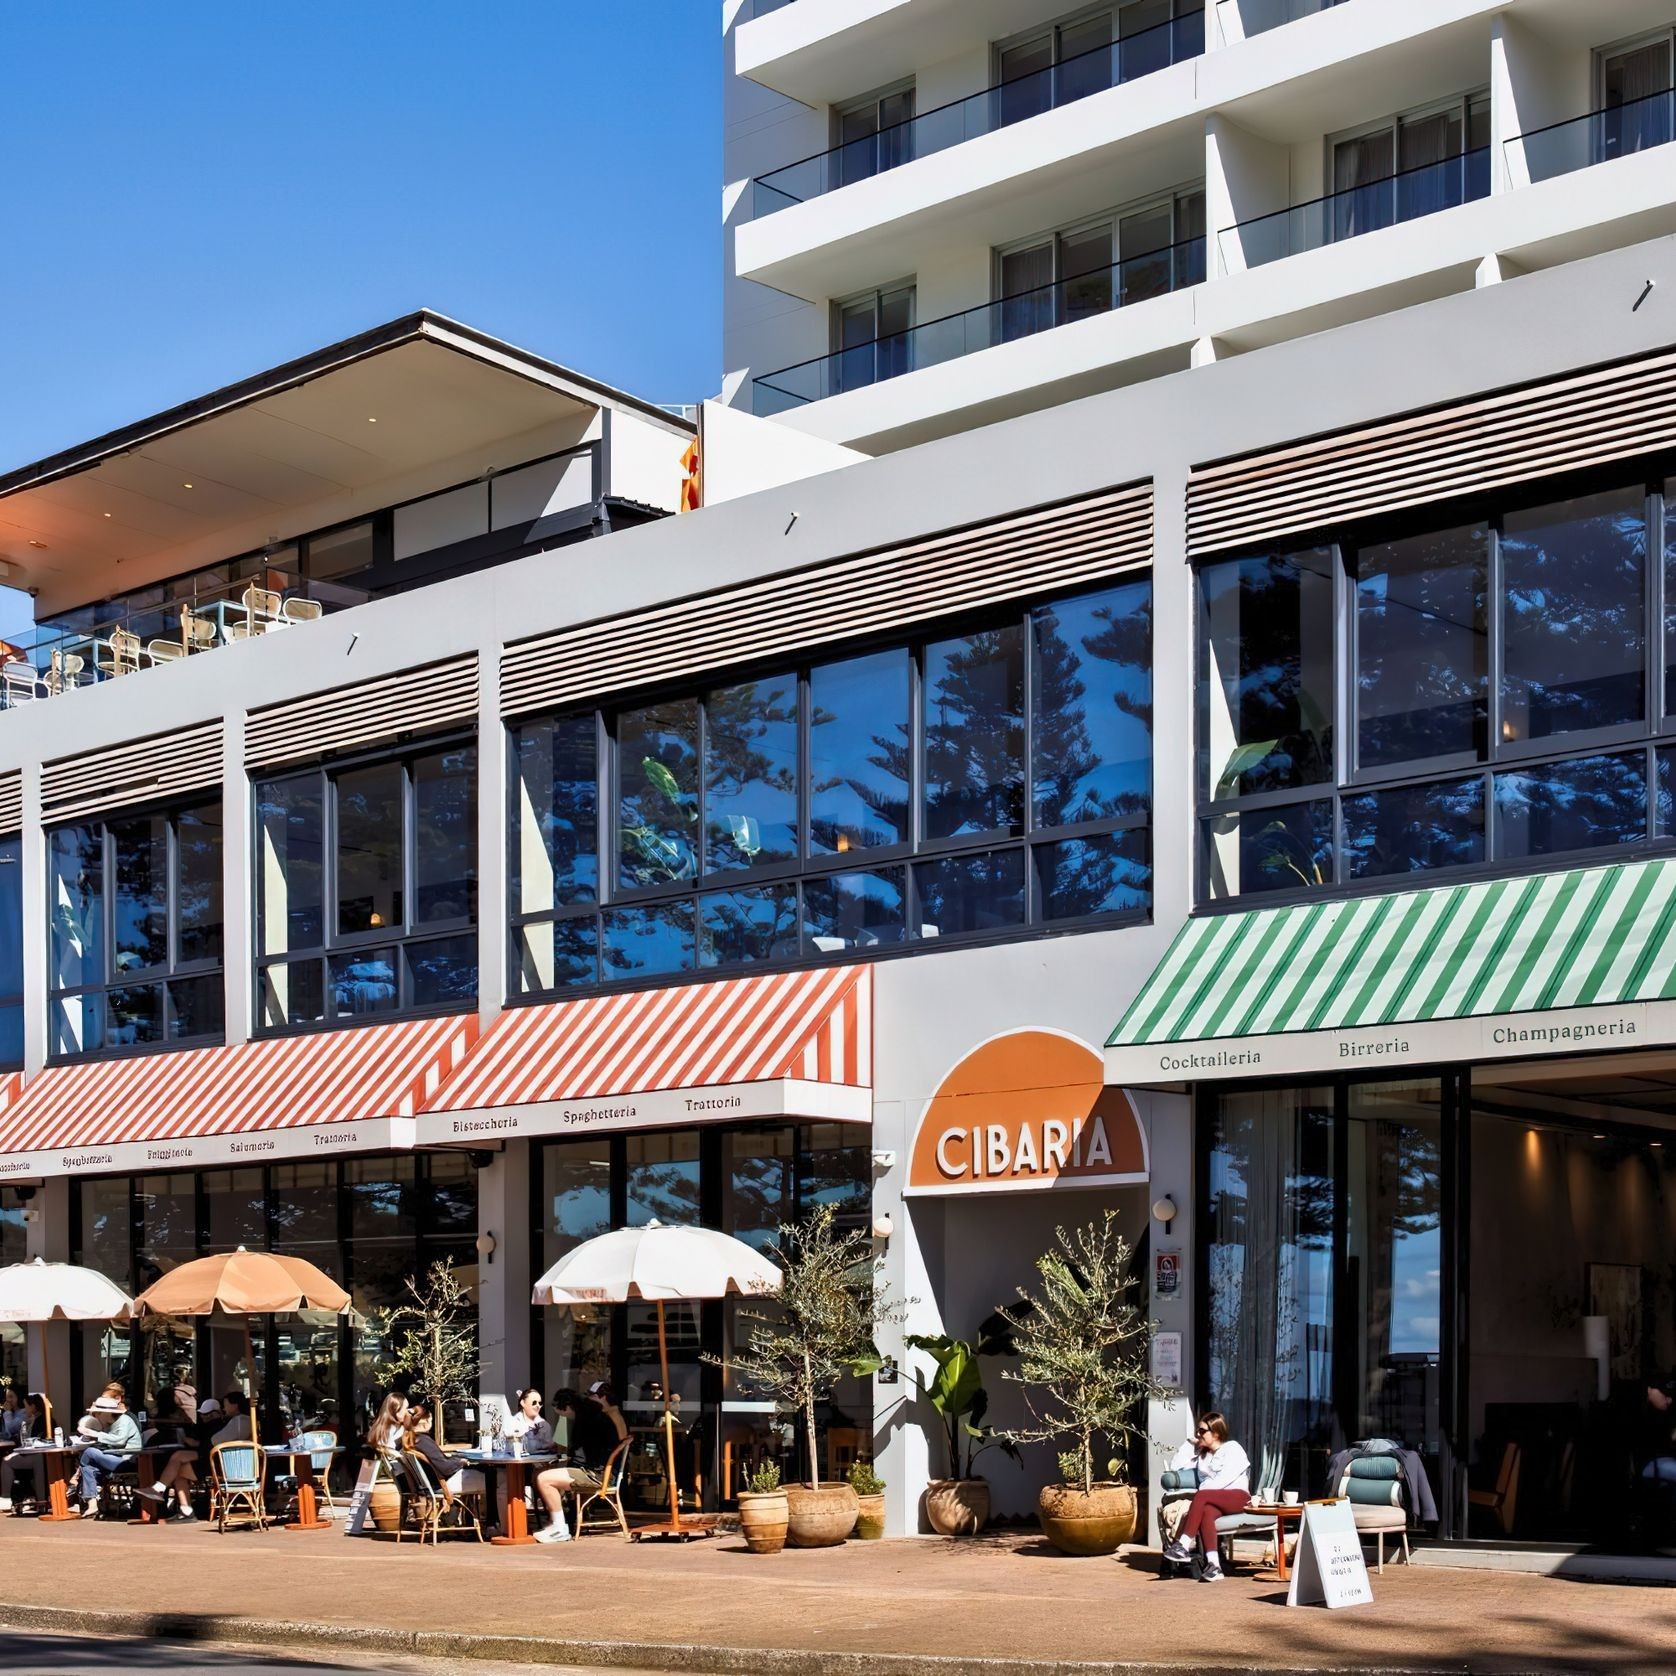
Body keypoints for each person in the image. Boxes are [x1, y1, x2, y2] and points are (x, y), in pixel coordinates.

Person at [532, 1385, 631, 1543]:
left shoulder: (585, 1421)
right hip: (603, 1471)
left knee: (544, 1478)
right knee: (550, 1475)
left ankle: (559, 1527)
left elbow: (579, 1456)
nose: (564, 1418)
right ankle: (560, 1521)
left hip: (596, 1474)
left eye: (564, 1415)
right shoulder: (595, 1415)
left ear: (568, 1407)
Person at [1161, 1412, 1250, 1582]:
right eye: (1197, 1430)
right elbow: (1175, 1467)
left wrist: (1205, 1490)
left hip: (1238, 1497)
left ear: (1215, 1433)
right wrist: (1189, 1444)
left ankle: (1183, 1545)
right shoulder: (1203, 1457)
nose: (1198, 1434)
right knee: (1207, 1512)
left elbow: (1223, 1480)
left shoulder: (1233, 1448)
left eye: (1202, 1431)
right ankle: (1214, 1566)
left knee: (1202, 1497)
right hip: (1215, 1499)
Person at [138, 1394, 247, 1520]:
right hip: (217, 1459)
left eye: (226, 1404)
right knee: (178, 1468)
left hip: (225, 1464)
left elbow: (216, 1440)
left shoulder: (241, 1421)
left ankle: (160, 1490)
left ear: (235, 1405)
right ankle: (186, 1510)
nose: (224, 1408)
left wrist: (198, 1443)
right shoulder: (231, 1421)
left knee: (178, 1457)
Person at [401, 1400, 485, 1502]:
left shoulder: (413, 1441)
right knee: (501, 1479)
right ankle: (501, 1517)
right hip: (445, 1483)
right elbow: (446, 1468)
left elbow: (440, 1462)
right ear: (426, 1421)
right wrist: (461, 1462)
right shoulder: (423, 1441)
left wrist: (454, 1460)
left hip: (433, 1484)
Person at [75, 1394, 141, 1515]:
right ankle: (92, 1504)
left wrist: (96, 1434)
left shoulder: (124, 1421)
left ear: (105, 1413)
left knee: (88, 1453)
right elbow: (108, 1443)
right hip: (113, 1458)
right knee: (88, 1468)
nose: (95, 1416)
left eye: (97, 1413)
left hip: (127, 1460)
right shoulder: (106, 1425)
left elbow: (119, 1440)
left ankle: (77, 1477)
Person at [0, 1394, 47, 1511]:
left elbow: (37, 1440)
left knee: (7, 1462)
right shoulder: (32, 1420)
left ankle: (5, 1497)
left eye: (26, 1406)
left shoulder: (43, 1421)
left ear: (33, 1407)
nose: (25, 1410)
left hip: (38, 1455)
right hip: (32, 1454)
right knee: (8, 1459)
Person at [503, 1388, 553, 1453]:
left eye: (540, 1403)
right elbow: (509, 1447)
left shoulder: (545, 1425)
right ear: (523, 1403)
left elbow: (550, 1447)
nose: (538, 1405)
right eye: (534, 1402)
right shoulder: (512, 1422)